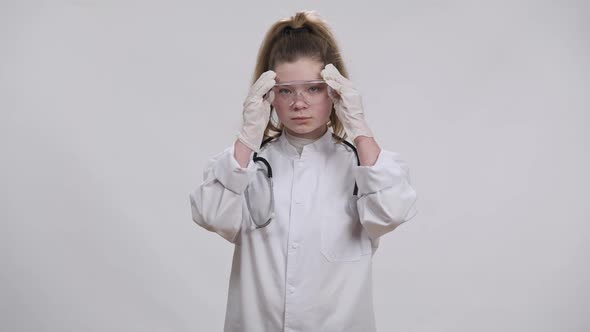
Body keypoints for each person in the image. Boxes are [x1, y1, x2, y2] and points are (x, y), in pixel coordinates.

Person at [189, 10, 417, 332]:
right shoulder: (247, 168)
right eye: (285, 90)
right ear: (269, 96)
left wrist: (360, 128)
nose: (299, 103)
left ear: (334, 92)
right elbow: (211, 214)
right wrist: (246, 138)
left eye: (313, 88)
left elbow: (391, 212)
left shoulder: (362, 167)